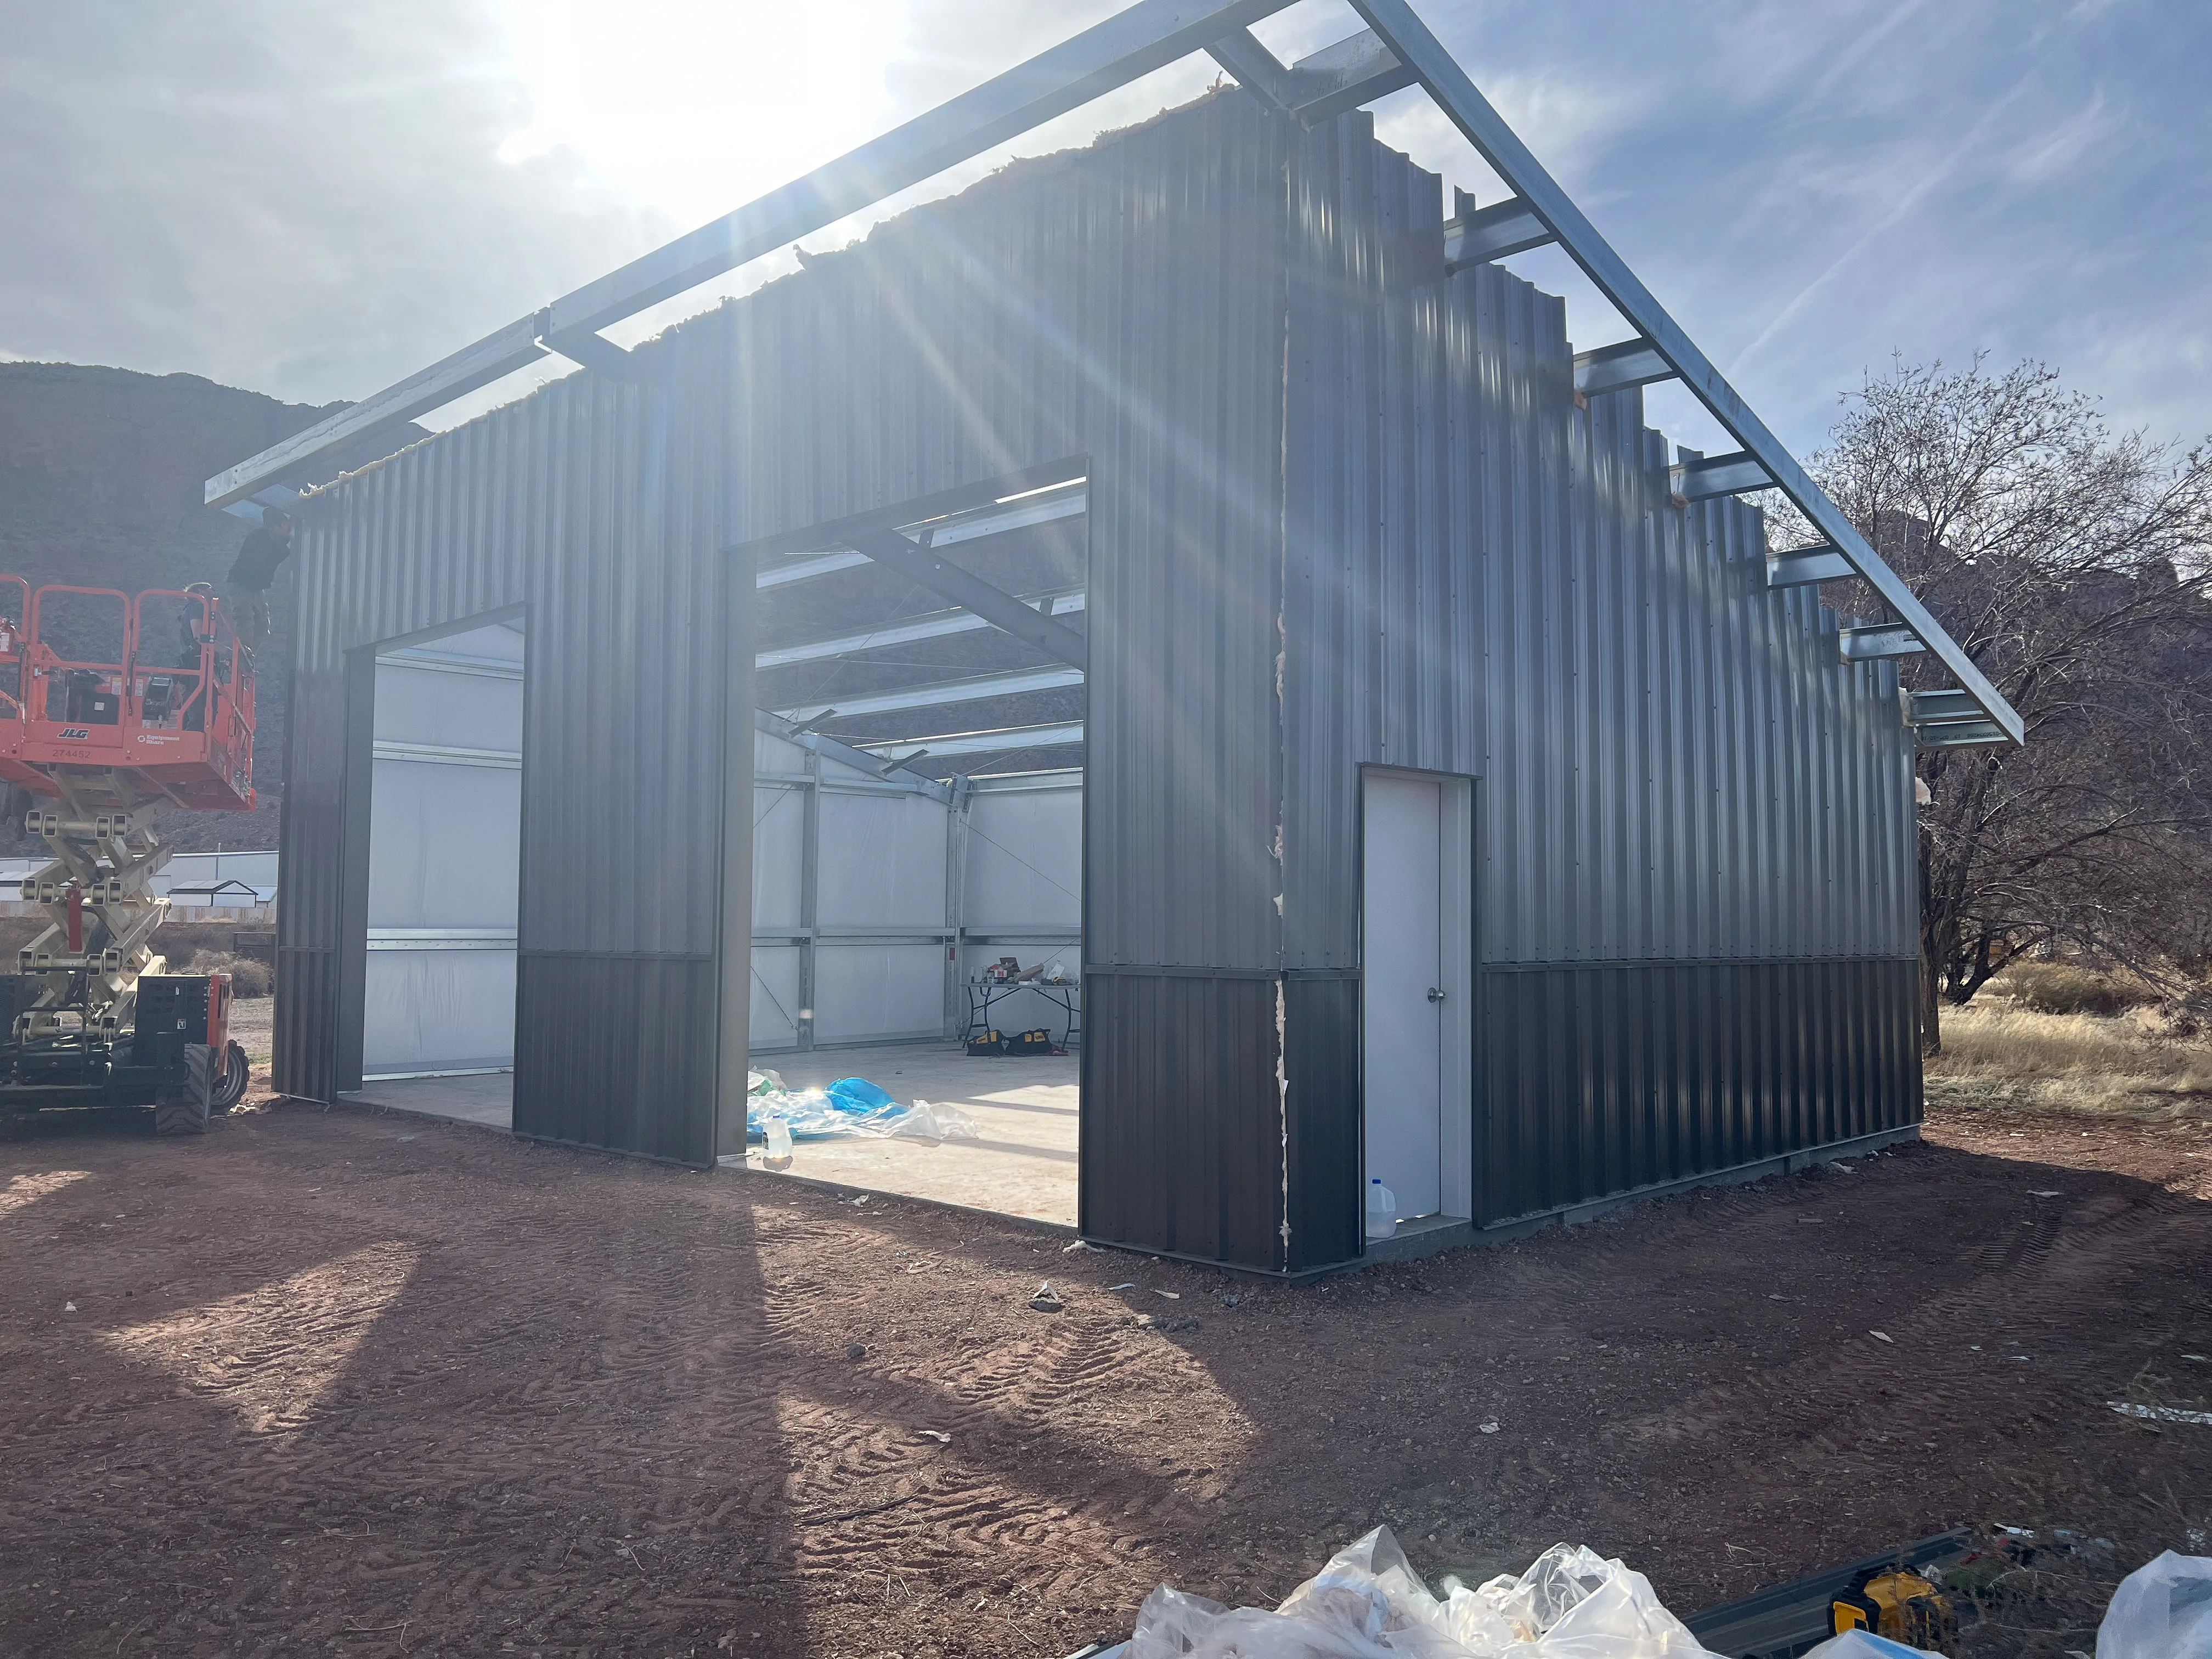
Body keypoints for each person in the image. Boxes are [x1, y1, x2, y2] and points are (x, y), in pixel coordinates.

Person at [226, 506, 292, 655]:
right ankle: (242, 658)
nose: (290, 528)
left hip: (256, 588)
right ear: (278, 524)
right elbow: (275, 556)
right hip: (240, 585)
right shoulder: (257, 538)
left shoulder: (275, 540)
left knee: (263, 625)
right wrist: (287, 541)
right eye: (287, 524)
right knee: (245, 621)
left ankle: (248, 657)